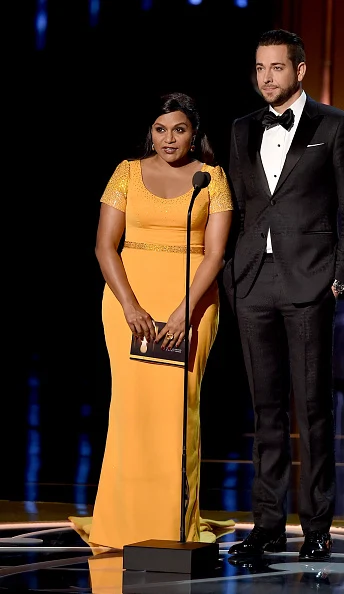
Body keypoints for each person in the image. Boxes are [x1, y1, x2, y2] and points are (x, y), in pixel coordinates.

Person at [223, 29, 344, 561]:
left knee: (312, 410)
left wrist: (341, 276)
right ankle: (266, 525)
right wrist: (232, 274)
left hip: (310, 280)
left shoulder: (335, 126)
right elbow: (238, 206)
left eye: (277, 67)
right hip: (252, 282)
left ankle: (316, 528)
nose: (266, 77)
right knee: (265, 411)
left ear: (300, 71)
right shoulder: (242, 128)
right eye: (260, 67)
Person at [70, 92, 234, 549]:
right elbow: (105, 246)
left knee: (178, 413)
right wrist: (130, 306)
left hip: (191, 307)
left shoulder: (212, 179)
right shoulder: (126, 172)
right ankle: (122, 524)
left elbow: (216, 254)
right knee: (131, 410)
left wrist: (183, 312)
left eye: (179, 129)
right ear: (151, 132)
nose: (169, 138)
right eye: (161, 129)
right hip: (128, 306)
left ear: (193, 133)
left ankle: (174, 524)